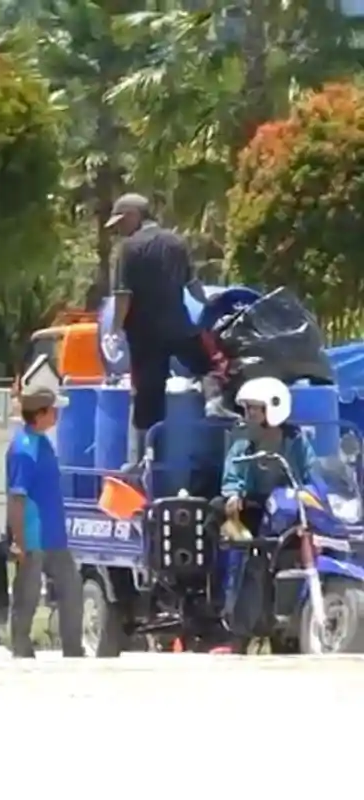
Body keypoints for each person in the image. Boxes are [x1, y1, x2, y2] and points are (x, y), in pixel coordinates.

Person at [106, 193, 227, 453]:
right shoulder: (176, 242)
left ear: (133, 216)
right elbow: (192, 285)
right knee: (210, 365)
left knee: (148, 395)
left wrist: (114, 330)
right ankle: (214, 403)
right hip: (179, 327)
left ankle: (148, 456)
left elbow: (123, 295)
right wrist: (208, 304)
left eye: (120, 222)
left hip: (145, 336)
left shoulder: (127, 249)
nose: (118, 229)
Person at [216, 377, 316, 639]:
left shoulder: (296, 441)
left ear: (273, 409)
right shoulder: (244, 442)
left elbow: (312, 474)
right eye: (247, 409)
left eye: (254, 409)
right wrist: (233, 494)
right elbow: (232, 475)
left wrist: (313, 491)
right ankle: (236, 617)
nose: (248, 415)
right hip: (253, 508)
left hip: (289, 508)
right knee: (242, 550)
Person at [7, 386, 84, 658]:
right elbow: (17, 499)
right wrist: (19, 541)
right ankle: (21, 647)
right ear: (40, 414)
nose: (58, 415)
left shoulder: (43, 443)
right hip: (33, 537)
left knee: (71, 591)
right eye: (53, 410)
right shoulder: (23, 450)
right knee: (27, 596)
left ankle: (73, 649)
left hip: (54, 536)